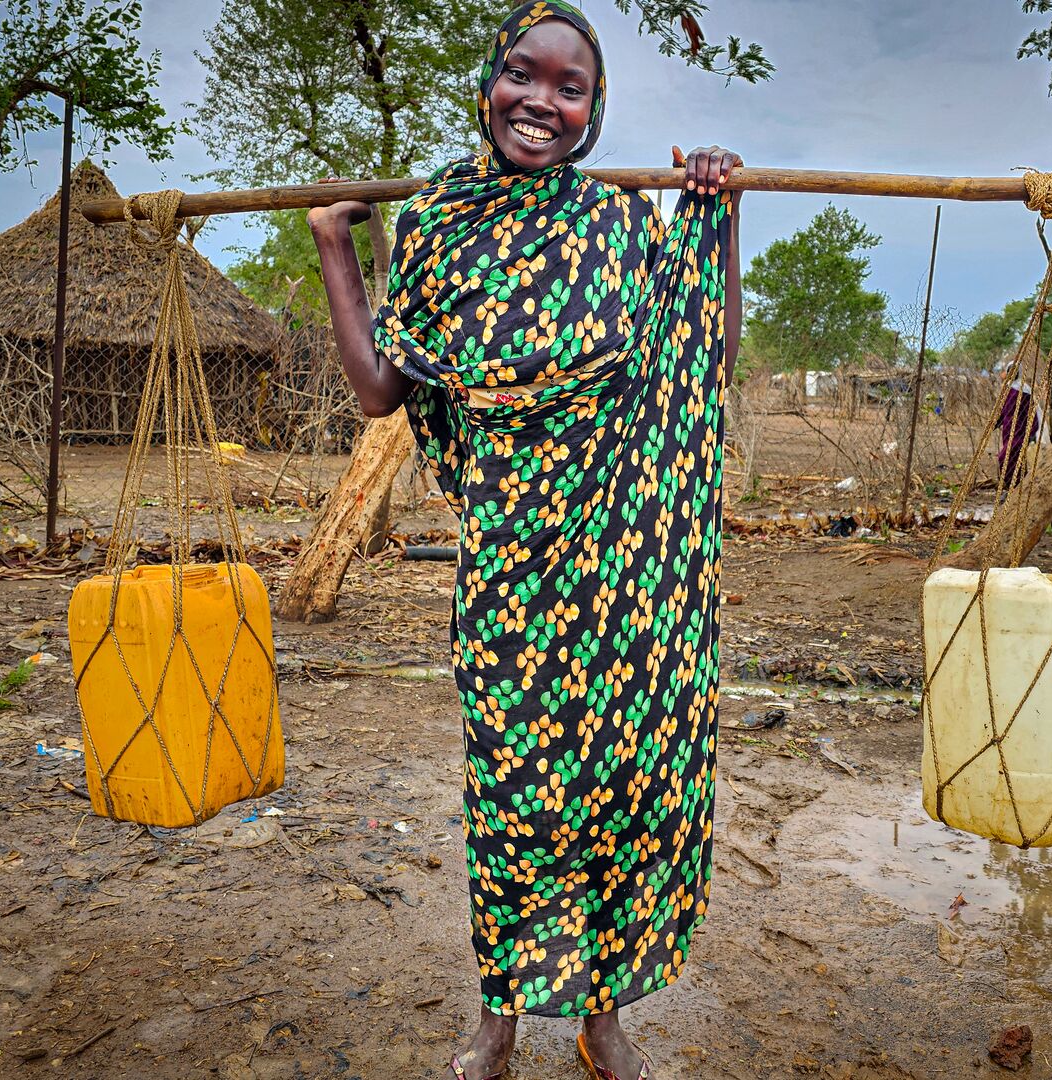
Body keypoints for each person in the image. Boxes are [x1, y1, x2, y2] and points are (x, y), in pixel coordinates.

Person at [306, 5, 741, 1078]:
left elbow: (706, 344)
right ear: (489, 83)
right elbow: (379, 390)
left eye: (570, 87)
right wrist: (336, 245)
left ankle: (601, 1021)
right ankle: (499, 1013)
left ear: (594, 112)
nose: (540, 101)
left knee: (628, 779)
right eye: (521, 74)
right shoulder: (441, 222)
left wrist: (718, 217)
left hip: (633, 564)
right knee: (512, 790)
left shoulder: (623, 221)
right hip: (513, 561)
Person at [996, 367, 1042, 496]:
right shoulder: (1007, 389)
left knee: (1005, 457)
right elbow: (1004, 410)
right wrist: (997, 422)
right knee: (1013, 459)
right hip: (1007, 429)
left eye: (1014, 371)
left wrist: (1032, 432)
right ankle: (1014, 490)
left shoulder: (1025, 392)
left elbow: (1031, 413)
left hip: (1019, 431)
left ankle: (1014, 487)